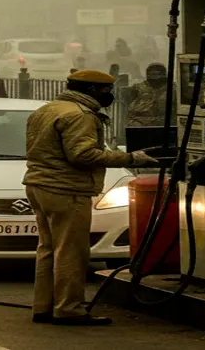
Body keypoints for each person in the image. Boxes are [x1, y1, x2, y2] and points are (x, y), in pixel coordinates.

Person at [23, 69, 155, 326]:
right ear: (92, 90)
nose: (109, 95)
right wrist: (130, 158)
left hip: (39, 185)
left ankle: (44, 306)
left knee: (49, 248)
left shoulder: (48, 109)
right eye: (105, 91)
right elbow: (82, 155)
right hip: (66, 189)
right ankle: (69, 308)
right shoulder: (80, 116)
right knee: (72, 251)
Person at [126, 63, 169, 129]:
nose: (151, 77)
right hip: (140, 124)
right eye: (149, 74)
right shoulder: (138, 88)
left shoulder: (172, 89)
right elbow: (129, 106)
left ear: (163, 75)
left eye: (155, 75)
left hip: (165, 124)